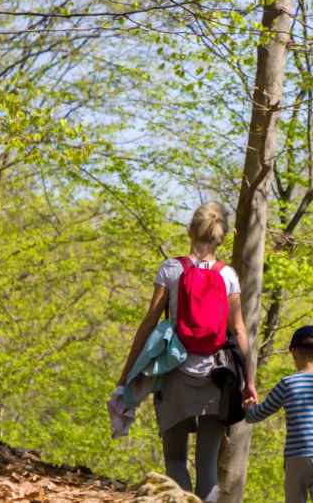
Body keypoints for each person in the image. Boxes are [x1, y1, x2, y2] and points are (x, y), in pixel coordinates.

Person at [116, 202, 254, 502]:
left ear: (189, 231)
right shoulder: (228, 275)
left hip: (174, 374)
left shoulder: (170, 269)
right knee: (207, 466)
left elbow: (150, 323)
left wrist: (127, 373)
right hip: (217, 378)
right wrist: (250, 382)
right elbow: (240, 331)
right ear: (222, 237)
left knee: (175, 460)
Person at [244, 325, 313, 503]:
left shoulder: (287, 384)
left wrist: (249, 409)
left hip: (297, 456)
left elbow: (260, 413)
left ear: (292, 352)